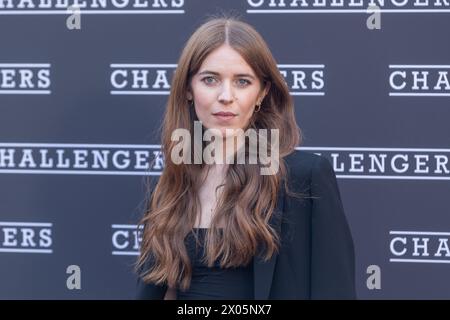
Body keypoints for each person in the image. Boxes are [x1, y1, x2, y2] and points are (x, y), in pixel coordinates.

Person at [135, 15, 356, 300]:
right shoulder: (170, 183)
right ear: (188, 89)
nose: (226, 96)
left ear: (262, 92)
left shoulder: (304, 177)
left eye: (242, 81)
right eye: (210, 79)